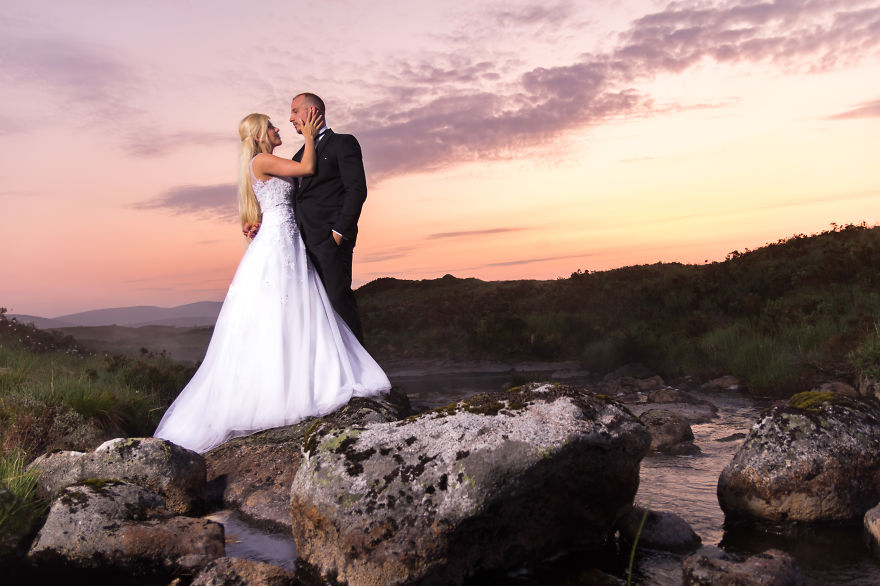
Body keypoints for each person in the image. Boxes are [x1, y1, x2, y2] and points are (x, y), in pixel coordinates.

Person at [154, 110, 391, 454]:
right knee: (281, 309)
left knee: (297, 309)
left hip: (287, 238)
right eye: (272, 126)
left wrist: (259, 223)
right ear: (260, 135)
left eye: (288, 120)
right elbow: (308, 170)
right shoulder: (263, 159)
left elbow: (290, 198)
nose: (281, 127)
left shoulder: (270, 160)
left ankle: (301, 379)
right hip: (279, 244)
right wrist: (310, 135)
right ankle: (282, 393)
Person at [244, 93, 367, 342]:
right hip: (298, 245)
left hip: (330, 241)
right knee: (313, 312)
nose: (290, 118)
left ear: (312, 111)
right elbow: (289, 200)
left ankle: (361, 372)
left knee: (338, 303)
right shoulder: (299, 156)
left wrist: (339, 233)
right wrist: (263, 223)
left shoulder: (343, 143)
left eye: (295, 111)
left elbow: (357, 190)